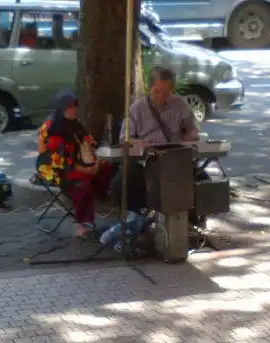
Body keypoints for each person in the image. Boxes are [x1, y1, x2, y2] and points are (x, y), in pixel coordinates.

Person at [113, 65, 200, 213]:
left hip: (173, 157)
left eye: (166, 93)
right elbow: (124, 138)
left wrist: (191, 134)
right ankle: (138, 218)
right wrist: (138, 142)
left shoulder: (179, 104)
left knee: (200, 177)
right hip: (147, 158)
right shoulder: (137, 107)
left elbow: (192, 128)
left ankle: (189, 220)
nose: (161, 97)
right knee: (120, 182)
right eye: (157, 92)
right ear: (150, 87)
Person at [36, 92, 113, 238]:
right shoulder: (52, 128)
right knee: (83, 185)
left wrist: (96, 163)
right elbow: (59, 160)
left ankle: (100, 199)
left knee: (107, 168)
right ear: (61, 109)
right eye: (69, 107)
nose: (74, 110)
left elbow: (90, 144)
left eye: (74, 106)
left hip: (80, 163)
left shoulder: (75, 124)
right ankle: (81, 223)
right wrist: (86, 170)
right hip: (56, 169)